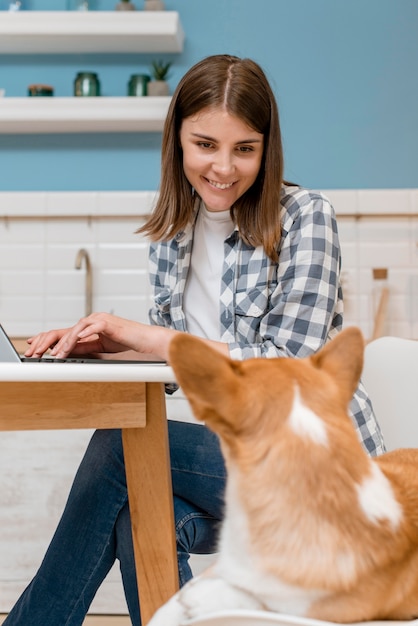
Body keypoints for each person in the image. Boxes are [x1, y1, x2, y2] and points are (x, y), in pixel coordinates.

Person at [4, 54, 385, 626]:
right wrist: (104, 342)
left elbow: (290, 369)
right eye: (205, 145)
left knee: (121, 447)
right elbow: (183, 360)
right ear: (177, 140)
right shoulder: (173, 237)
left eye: (245, 149)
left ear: (267, 147)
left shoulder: (307, 217)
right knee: (142, 513)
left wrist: (141, 334)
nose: (224, 168)